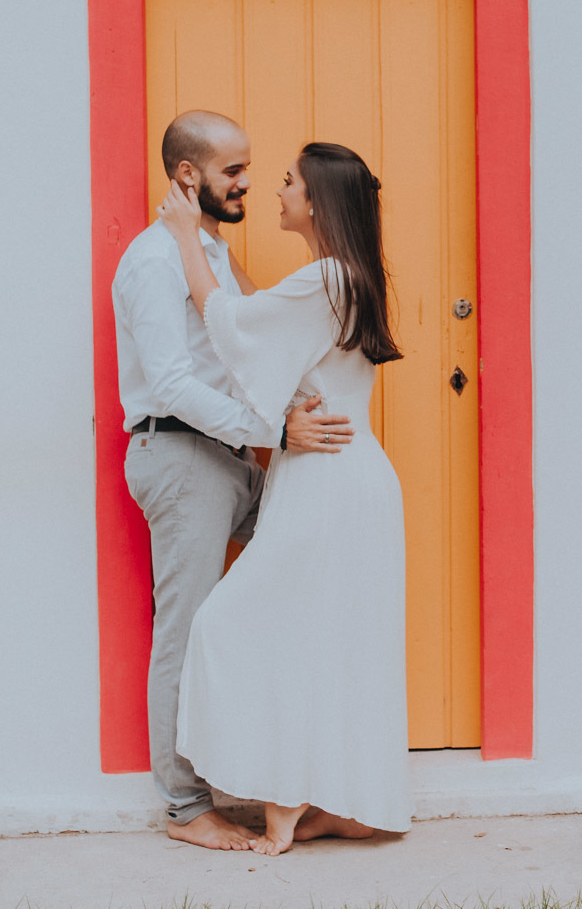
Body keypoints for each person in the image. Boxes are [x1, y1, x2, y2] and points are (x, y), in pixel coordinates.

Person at [112, 112, 356, 852]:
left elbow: (247, 333)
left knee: (291, 587)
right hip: (184, 457)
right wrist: (275, 433)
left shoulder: (209, 250)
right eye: (233, 171)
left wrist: (286, 406)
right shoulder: (152, 262)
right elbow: (175, 384)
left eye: (252, 169)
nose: (248, 182)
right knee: (185, 629)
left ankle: (278, 765)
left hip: (231, 458)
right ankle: (187, 808)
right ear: (188, 176)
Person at [159, 141, 412, 855]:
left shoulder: (326, 278)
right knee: (333, 638)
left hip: (328, 481)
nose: (277, 189)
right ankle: (349, 805)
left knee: (241, 627)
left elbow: (233, 325)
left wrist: (186, 238)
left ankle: (284, 800)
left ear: (318, 200)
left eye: (290, 181)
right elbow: (259, 310)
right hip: (353, 476)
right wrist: (216, 248)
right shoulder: (347, 275)